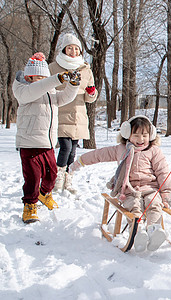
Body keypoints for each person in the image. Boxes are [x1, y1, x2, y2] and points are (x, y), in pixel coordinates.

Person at [70, 115, 171, 252]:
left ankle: (154, 230)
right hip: (128, 189)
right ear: (127, 134)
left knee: (154, 205)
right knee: (133, 207)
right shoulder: (121, 149)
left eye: (144, 135)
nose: (140, 139)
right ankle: (137, 232)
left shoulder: (154, 151)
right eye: (136, 135)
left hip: (150, 188)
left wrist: (165, 192)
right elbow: (99, 155)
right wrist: (80, 162)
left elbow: (162, 172)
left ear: (151, 135)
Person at [13, 52, 81, 223]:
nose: (41, 80)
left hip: (48, 142)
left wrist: (73, 84)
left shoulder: (50, 91)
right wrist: (56, 78)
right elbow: (35, 90)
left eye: (44, 77)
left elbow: (65, 97)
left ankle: (45, 194)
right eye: (38, 77)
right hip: (29, 144)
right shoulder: (22, 89)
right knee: (33, 178)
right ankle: (30, 205)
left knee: (52, 175)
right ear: (29, 77)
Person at [49, 33, 98, 194]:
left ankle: (68, 179)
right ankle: (58, 178)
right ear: (64, 49)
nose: (73, 51)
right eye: (70, 48)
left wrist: (91, 93)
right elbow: (47, 88)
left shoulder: (85, 69)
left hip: (78, 115)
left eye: (76, 48)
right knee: (65, 147)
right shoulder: (53, 67)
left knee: (73, 150)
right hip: (61, 112)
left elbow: (89, 97)